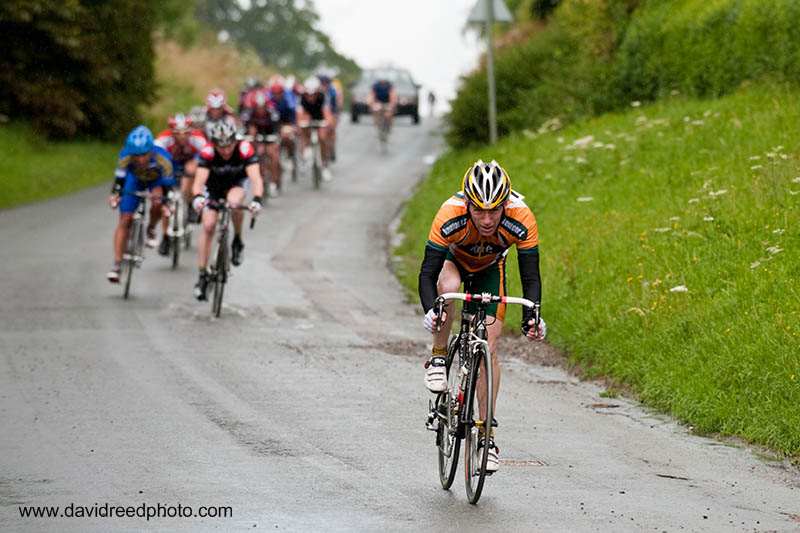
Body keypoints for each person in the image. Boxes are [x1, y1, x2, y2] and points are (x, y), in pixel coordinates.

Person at [417, 160, 547, 473]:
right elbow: (427, 272)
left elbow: (530, 276)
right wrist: (431, 309)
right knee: (448, 287)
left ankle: (487, 437)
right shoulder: (450, 213)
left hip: (491, 270)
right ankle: (437, 357)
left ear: (506, 204)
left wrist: (533, 314)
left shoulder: (521, 217)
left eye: (494, 211)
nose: (487, 219)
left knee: (489, 347)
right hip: (454, 262)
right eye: (479, 211)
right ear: (468, 204)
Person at [191, 116, 263, 300]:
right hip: (213, 188)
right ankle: (202, 274)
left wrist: (257, 199)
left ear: (234, 140)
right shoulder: (207, 152)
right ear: (214, 143)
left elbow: (255, 178)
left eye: (229, 145)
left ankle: (237, 239)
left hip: (236, 184)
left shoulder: (245, 148)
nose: (225, 150)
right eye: (220, 146)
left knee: (234, 203)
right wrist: (198, 197)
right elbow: (199, 181)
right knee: (208, 226)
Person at [106, 126, 175, 282]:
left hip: (155, 182)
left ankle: (151, 227)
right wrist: (115, 196)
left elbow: (168, 187)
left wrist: (166, 204)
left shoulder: (163, 157)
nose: (141, 160)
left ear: (151, 150)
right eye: (136, 156)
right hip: (134, 181)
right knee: (125, 219)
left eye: (144, 155)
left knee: (158, 201)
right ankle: (117, 264)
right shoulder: (125, 155)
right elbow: (119, 182)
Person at [155, 113, 208, 250]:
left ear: (190, 131)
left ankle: (189, 203)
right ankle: (166, 237)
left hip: (189, 163)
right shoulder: (163, 138)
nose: (182, 136)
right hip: (171, 163)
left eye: (186, 133)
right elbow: (156, 156)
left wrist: (197, 164)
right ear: (172, 132)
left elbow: (206, 154)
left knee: (190, 172)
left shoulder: (197, 138)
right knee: (167, 200)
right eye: (178, 133)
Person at [240, 87, 281, 197]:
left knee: (273, 155)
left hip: (270, 133)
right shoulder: (249, 114)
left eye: (262, 107)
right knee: (257, 151)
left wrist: (276, 139)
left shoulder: (272, 112)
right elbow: (245, 130)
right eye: (258, 107)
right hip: (257, 135)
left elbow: (277, 130)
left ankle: (273, 182)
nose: (260, 110)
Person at [297, 77, 334, 181]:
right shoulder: (302, 98)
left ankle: (324, 165)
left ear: (317, 92)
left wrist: (328, 123)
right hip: (308, 117)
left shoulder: (323, 97)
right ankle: (305, 154)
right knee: (303, 130)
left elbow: (327, 113)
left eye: (313, 94)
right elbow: (299, 114)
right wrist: (300, 123)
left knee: (322, 137)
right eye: (308, 94)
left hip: (320, 117)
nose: (310, 97)